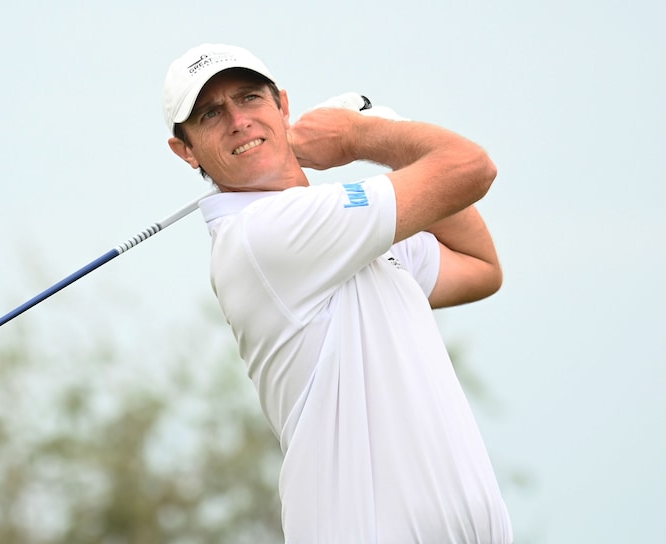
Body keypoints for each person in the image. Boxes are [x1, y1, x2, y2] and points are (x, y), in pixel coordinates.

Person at [162, 43, 512, 543]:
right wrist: (361, 135)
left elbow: (480, 267)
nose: (238, 120)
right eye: (210, 113)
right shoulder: (264, 233)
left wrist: (385, 132)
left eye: (250, 98)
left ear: (282, 106)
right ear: (186, 150)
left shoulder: (347, 234)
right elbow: (470, 168)